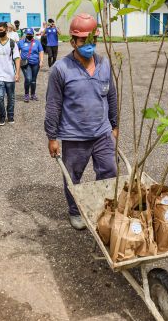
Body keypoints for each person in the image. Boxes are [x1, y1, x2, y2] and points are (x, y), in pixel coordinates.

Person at [45, 13, 119, 230]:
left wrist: (114, 125)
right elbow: (53, 105)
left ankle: (103, 209)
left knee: (109, 172)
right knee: (73, 176)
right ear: (73, 41)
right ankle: (75, 211)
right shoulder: (61, 69)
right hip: (74, 135)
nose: (89, 45)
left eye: (92, 40)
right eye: (83, 41)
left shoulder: (104, 64)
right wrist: (52, 137)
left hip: (102, 133)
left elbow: (112, 96)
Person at [0, 21, 20, 126]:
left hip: (10, 75)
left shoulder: (12, 43)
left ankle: (10, 115)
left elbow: (17, 59)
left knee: (11, 97)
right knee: (0, 97)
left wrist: (17, 73)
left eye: (1, 30)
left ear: (6, 30)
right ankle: (2, 115)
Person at [18, 27, 44, 102]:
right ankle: (26, 95)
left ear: (33, 34)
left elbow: (41, 51)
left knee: (33, 80)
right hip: (26, 64)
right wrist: (19, 58)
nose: (29, 35)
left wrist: (41, 60)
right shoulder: (21, 42)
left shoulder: (37, 42)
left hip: (35, 63)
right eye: (28, 34)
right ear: (26, 34)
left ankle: (33, 94)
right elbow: (16, 51)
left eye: (31, 34)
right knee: (28, 78)